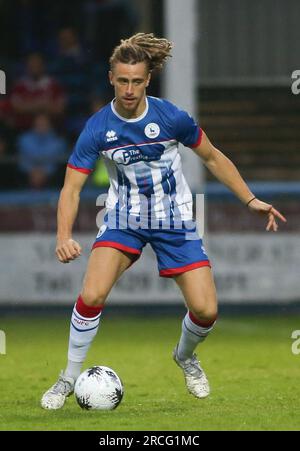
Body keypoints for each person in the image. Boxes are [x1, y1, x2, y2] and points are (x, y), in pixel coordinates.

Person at [40, 33, 286, 410]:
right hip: (123, 218)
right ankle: (68, 378)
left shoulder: (171, 117)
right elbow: (71, 188)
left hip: (176, 220)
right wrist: (63, 235)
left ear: (147, 80)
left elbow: (214, 157)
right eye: (122, 80)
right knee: (91, 295)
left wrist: (249, 199)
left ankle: (185, 356)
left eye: (136, 81)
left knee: (206, 311)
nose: (129, 89)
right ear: (111, 78)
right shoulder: (96, 128)